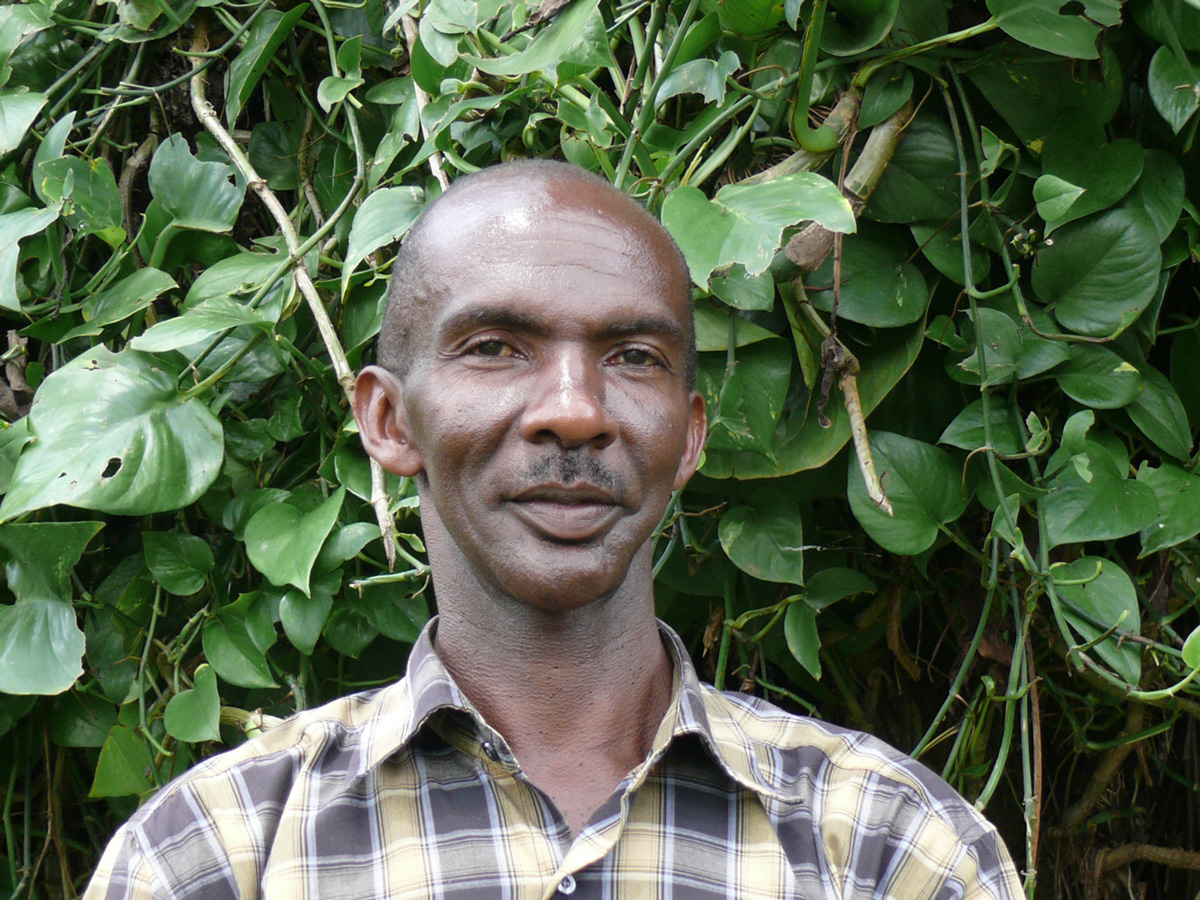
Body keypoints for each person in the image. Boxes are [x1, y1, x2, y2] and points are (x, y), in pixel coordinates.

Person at [85, 160, 1023, 899]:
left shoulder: (893, 854)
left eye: (633, 355)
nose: (574, 411)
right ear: (389, 421)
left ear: (689, 436)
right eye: (496, 347)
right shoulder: (211, 859)